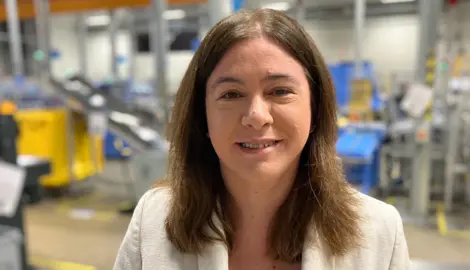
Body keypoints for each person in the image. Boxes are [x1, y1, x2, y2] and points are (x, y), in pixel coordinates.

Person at [114, 8, 410, 270]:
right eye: (231, 94)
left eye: (279, 91)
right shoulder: (153, 221)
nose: (256, 115)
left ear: (315, 108)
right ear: (202, 115)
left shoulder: (379, 231)